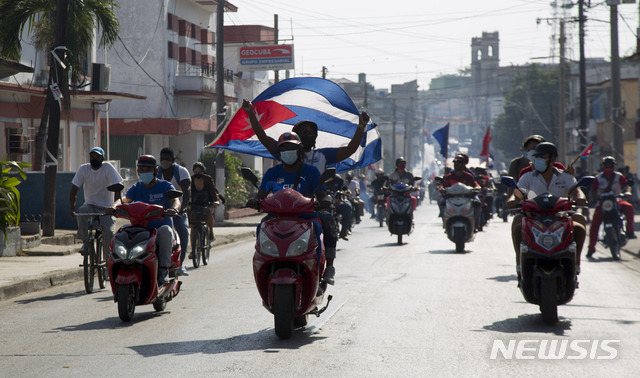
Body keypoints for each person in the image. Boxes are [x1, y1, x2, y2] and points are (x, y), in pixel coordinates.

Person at [242, 99, 369, 285]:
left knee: (327, 222)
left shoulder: (321, 157)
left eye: (311, 133)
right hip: (282, 211)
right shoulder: (283, 156)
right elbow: (264, 138)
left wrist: (361, 127)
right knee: (263, 227)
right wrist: (251, 114)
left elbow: (350, 149)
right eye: (303, 132)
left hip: (311, 209)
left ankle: (328, 266)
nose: (307, 135)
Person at [250, 132, 331, 283]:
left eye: (291, 147)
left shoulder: (311, 172)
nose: (288, 151)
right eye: (284, 148)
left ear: (300, 150)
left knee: (320, 227)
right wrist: (254, 200)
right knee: (261, 227)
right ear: (279, 153)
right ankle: (263, 272)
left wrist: (325, 200)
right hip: (276, 218)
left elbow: (322, 194)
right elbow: (260, 194)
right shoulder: (272, 173)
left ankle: (321, 271)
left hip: (306, 218)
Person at [507, 142, 587, 280]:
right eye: (536, 157)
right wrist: (512, 200)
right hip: (533, 217)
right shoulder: (528, 177)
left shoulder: (566, 177)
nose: (538, 160)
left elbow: (577, 191)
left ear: (552, 159)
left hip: (561, 217)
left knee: (579, 220)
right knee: (517, 222)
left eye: (542, 157)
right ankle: (519, 262)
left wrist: (580, 198)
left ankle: (576, 261)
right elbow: (518, 193)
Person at [123, 155, 180, 285]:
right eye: (141, 170)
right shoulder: (136, 188)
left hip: (160, 230)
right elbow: (126, 200)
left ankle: (163, 269)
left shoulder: (165, 186)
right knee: (123, 231)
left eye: (148, 170)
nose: (144, 173)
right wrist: (114, 207)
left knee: (165, 230)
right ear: (138, 172)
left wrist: (175, 209)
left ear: (156, 171)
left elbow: (175, 200)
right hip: (141, 230)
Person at [69, 147, 123, 273]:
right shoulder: (84, 169)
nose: (94, 159)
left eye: (97, 157)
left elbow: (118, 188)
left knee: (108, 232)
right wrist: (72, 209)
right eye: (92, 156)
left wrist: (115, 207)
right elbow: (74, 190)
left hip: (107, 208)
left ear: (102, 159)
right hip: (90, 205)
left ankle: (108, 261)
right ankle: (85, 244)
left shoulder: (107, 168)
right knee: (81, 212)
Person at [587, 156, 636, 258]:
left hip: (616, 201)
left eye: (611, 166)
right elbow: (593, 191)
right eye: (606, 166)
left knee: (629, 207)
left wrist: (627, 192)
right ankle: (591, 248)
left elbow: (626, 186)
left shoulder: (619, 176)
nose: (608, 168)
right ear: (603, 167)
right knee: (594, 224)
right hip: (602, 203)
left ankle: (630, 231)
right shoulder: (598, 178)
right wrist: (591, 198)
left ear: (614, 167)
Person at [158, 147, 191, 276]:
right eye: (162, 158)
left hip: (177, 209)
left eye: (167, 159)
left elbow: (186, 191)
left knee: (183, 230)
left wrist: (183, 207)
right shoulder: (156, 172)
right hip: (160, 209)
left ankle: (180, 264)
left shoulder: (181, 172)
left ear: (173, 160)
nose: (164, 161)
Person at [189, 162, 225, 249]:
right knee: (193, 226)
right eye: (195, 171)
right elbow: (188, 192)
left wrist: (215, 201)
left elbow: (213, 191)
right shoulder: (191, 179)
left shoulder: (207, 179)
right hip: (195, 203)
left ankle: (211, 232)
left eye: (200, 171)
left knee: (208, 213)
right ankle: (193, 249)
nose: (198, 173)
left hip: (207, 201)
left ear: (203, 172)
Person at [438, 154, 480, 219]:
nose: (456, 164)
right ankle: (444, 220)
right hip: (451, 198)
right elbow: (444, 185)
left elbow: (475, 184)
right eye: (455, 162)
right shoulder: (450, 176)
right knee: (441, 202)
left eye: (459, 162)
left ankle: (475, 221)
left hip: (466, 198)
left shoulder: (468, 176)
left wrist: (477, 188)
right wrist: (441, 189)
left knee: (477, 203)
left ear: (463, 164)